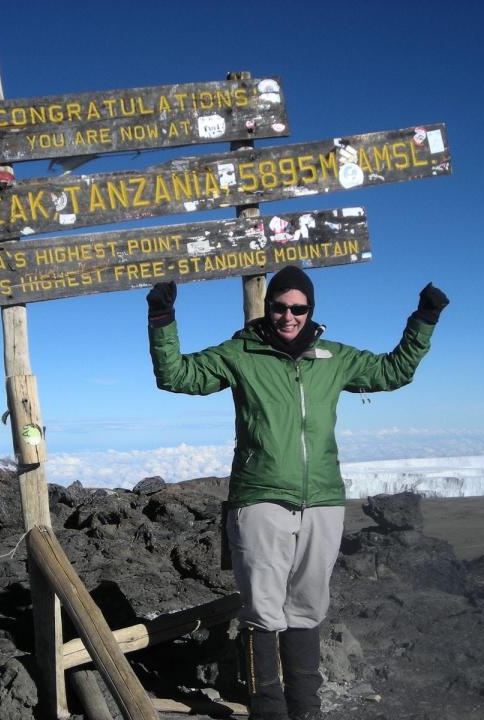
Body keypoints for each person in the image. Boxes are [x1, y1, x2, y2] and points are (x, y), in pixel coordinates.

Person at [146, 266, 449, 720]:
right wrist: (161, 318)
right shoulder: (241, 353)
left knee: (308, 608)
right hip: (261, 498)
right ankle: (268, 709)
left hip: (323, 501)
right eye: (280, 307)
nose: (289, 316)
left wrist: (424, 319)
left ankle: (306, 708)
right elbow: (177, 375)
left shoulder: (334, 357)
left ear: (311, 310)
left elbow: (394, 371)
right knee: (263, 612)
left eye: (298, 308)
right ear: (268, 308)